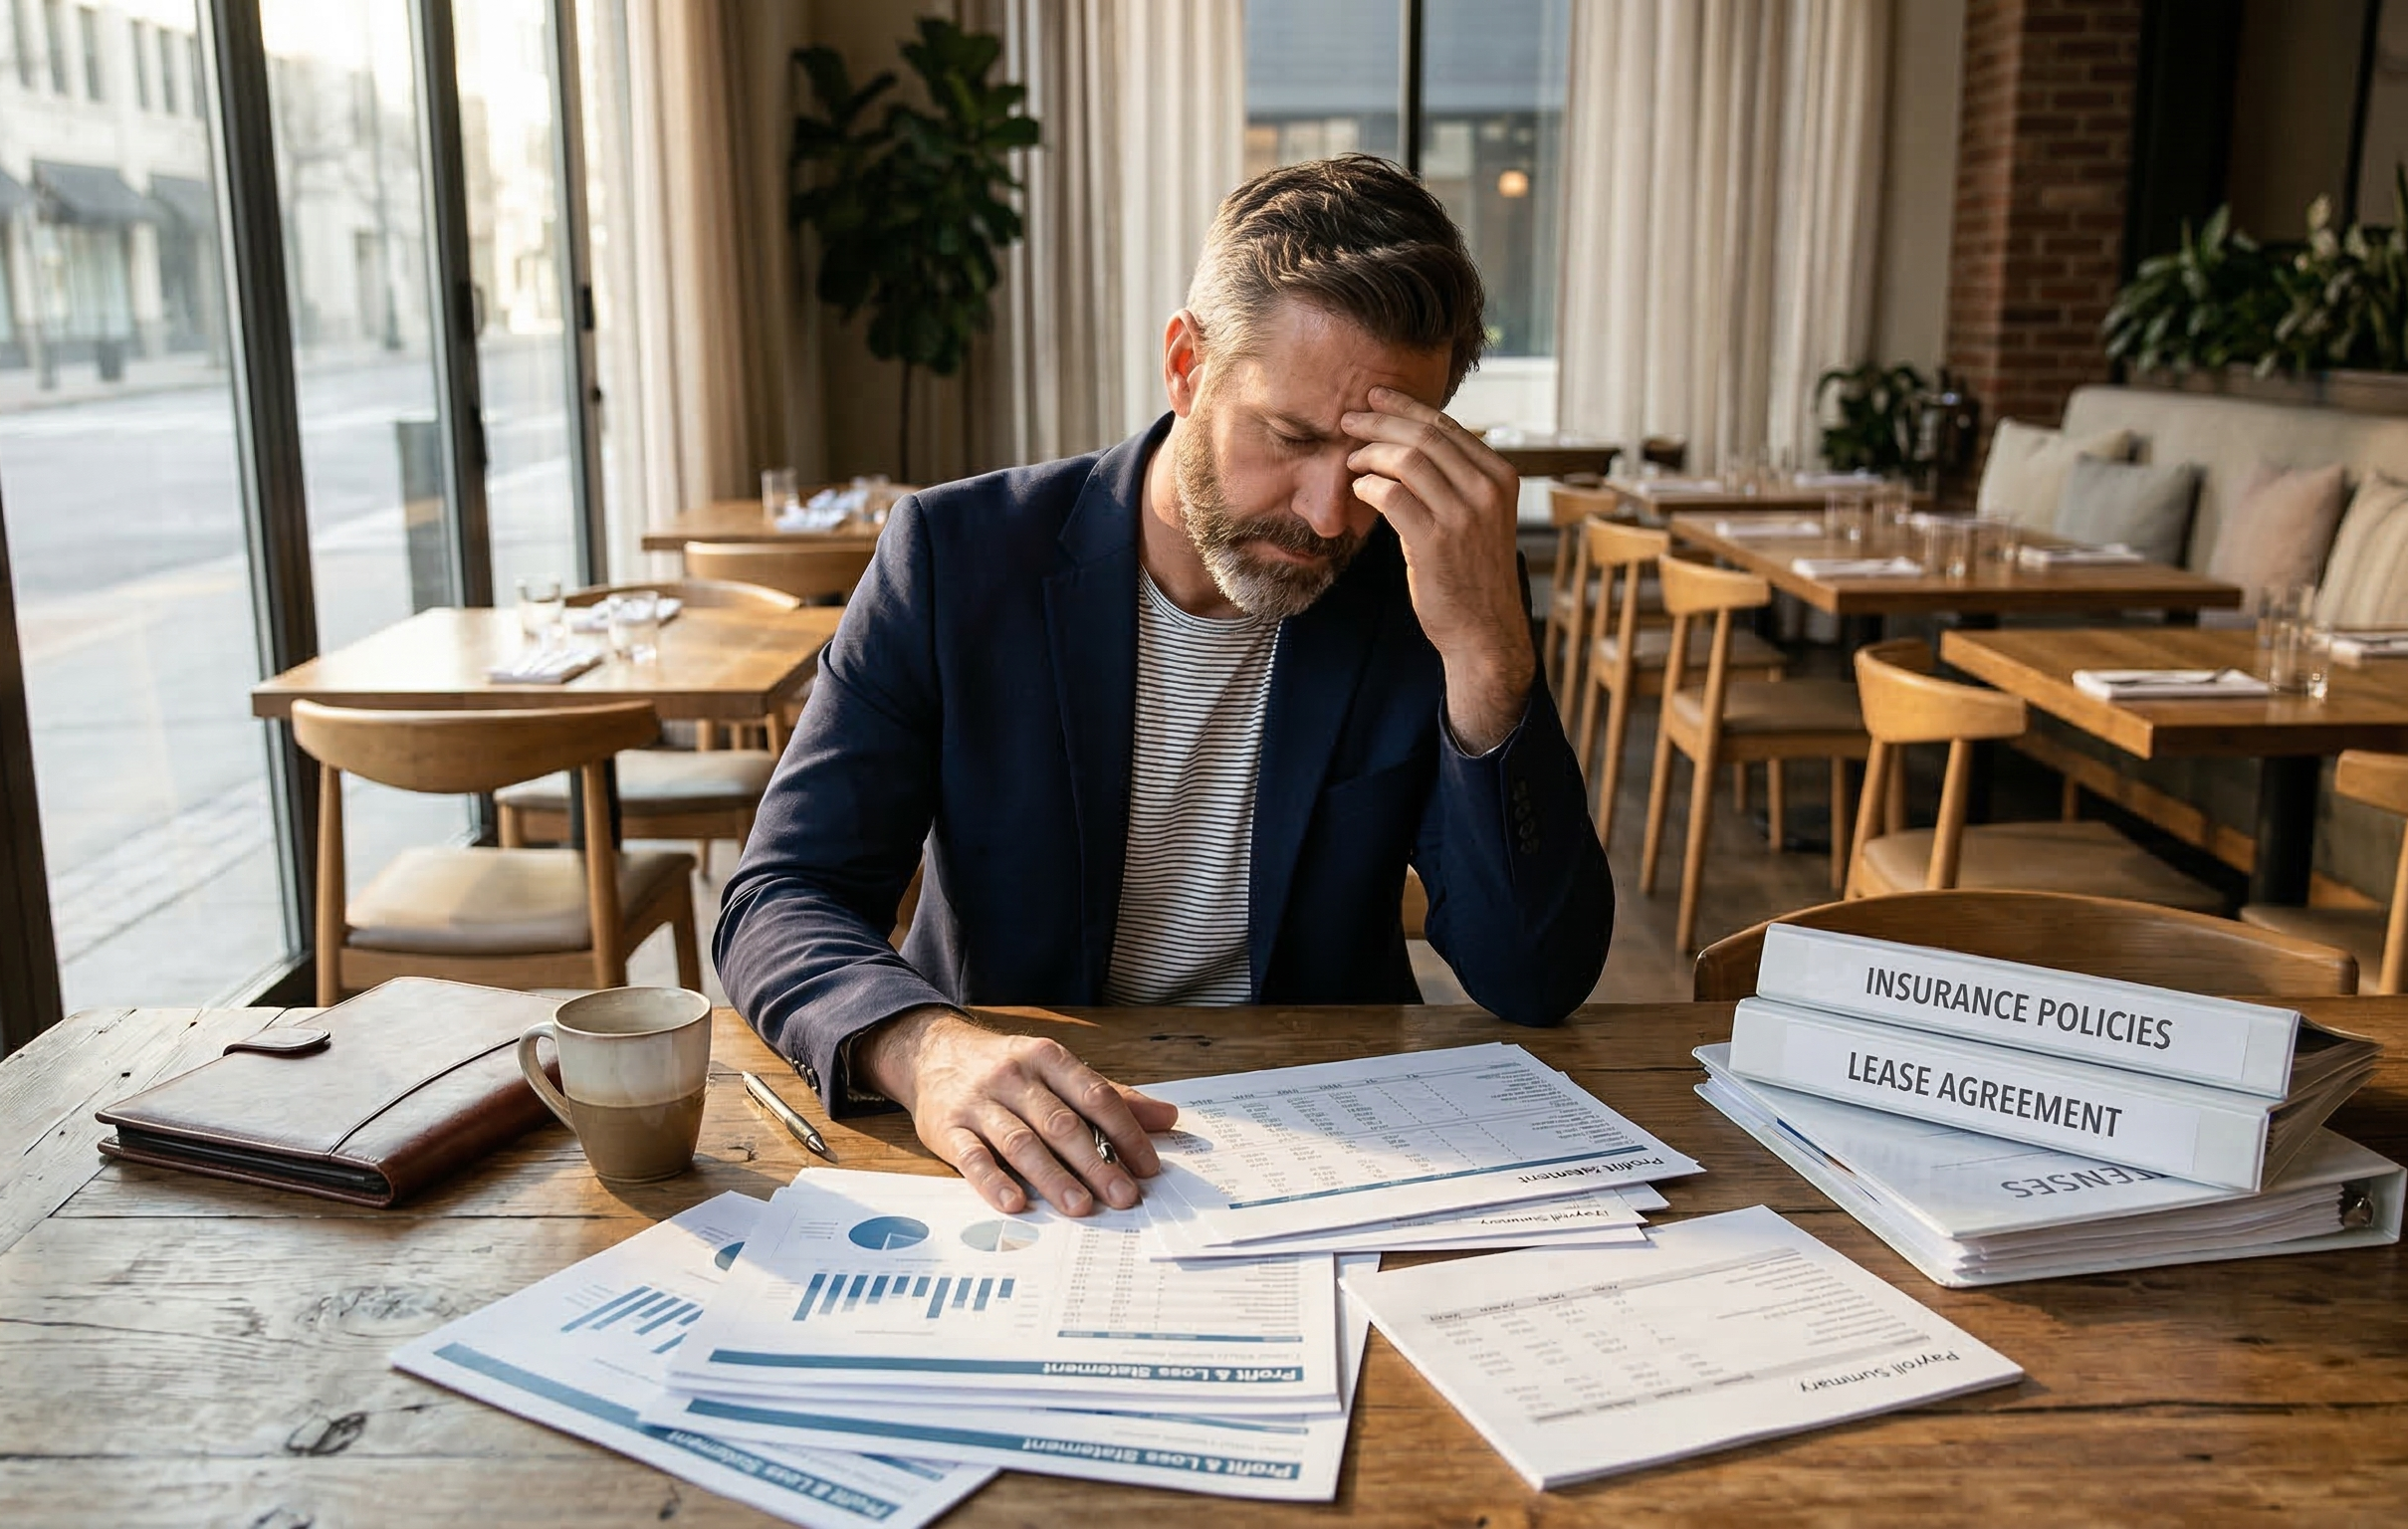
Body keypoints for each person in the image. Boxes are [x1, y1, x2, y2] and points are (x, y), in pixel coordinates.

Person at [718, 153, 1612, 1219]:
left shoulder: (1426, 580)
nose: (1329, 515)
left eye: (1371, 461)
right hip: (1024, 1151)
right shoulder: (958, 559)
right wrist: (921, 1049)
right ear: (1185, 365)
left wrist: (1488, 659)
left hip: (1340, 1153)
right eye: (1289, 438)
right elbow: (779, 896)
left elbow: (1536, 978)